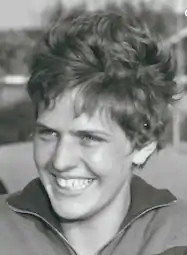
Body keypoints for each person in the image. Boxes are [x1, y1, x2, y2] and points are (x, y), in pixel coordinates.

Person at [1, 6, 187, 255]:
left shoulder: (176, 237)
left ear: (142, 145)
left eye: (88, 138)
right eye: (48, 133)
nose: (60, 160)